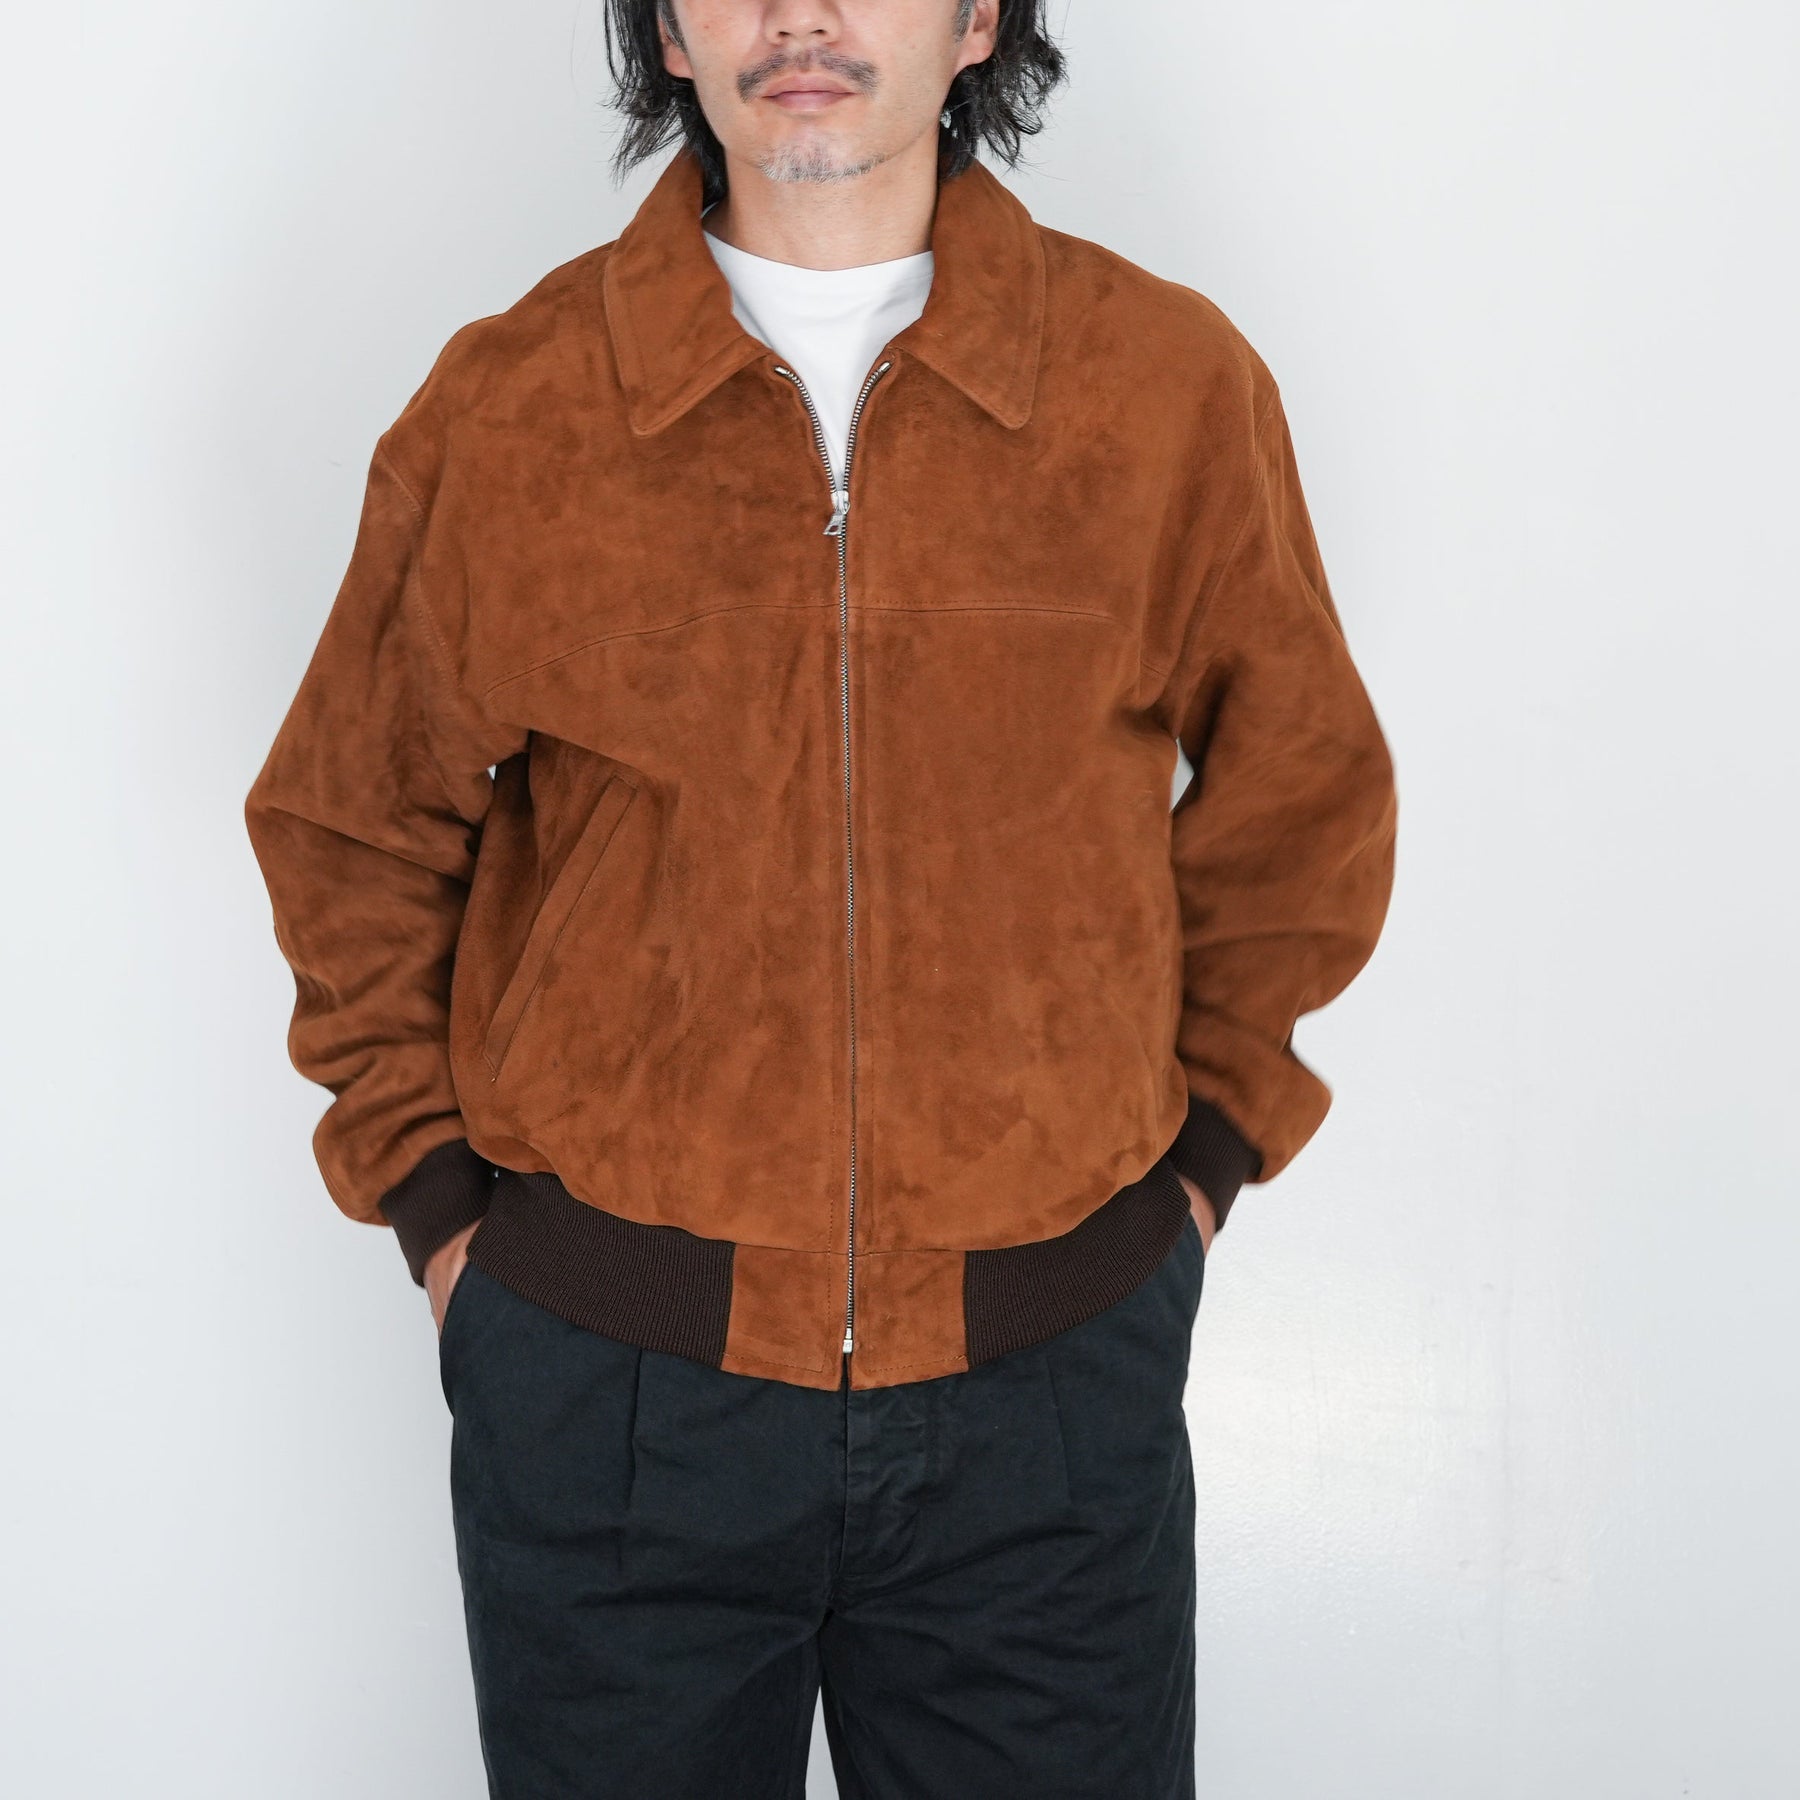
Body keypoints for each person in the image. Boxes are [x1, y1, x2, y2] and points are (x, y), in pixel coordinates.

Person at [243, 2, 1398, 1793]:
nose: (802, 13)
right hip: (612, 1398)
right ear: (670, 31)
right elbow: (351, 822)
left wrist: (1195, 1179)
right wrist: (449, 1223)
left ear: (978, 19)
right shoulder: (515, 404)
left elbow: (1300, 800)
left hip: (1048, 1393)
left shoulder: (1162, 390)